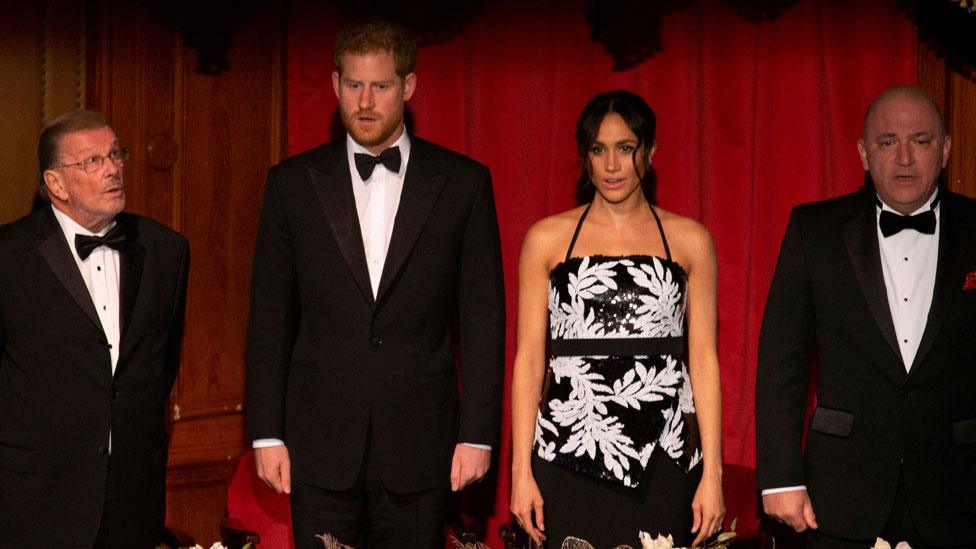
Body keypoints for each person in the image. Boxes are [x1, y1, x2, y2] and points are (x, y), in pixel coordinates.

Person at [245, 17, 506, 548]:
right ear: (336, 84)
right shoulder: (291, 184)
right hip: (318, 445)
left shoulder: (463, 184)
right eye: (353, 84)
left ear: (408, 87)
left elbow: (482, 318)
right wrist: (267, 431)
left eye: (381, 86)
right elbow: (269, 317)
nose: (365, 101)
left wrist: (477, 435)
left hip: (422, 443)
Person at [756, 85, 976, 548]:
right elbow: (782, 362)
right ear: (862, 152)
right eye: (886, 142)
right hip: (838, 498)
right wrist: (779, 479)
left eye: (920, 140)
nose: (904, 158)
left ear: (946, 149)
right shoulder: (812, 230)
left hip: (960, 493)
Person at [510, 90, 725, 547]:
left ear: (649, 152)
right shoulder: (546, 239)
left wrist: (714, 475)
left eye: (625, 148)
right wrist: (519, 472)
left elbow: (703, 361)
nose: (611, 165)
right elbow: (529, 360)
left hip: (665, 457)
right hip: (565, 450)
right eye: (598, 149)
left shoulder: (691, 241)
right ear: (584, 157)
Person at [0, 110, 190, 547]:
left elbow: (161, 367)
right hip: (35, 498)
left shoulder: (167, 250)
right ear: (56, 184)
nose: (112, 168)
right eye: (91, 161)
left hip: (131, 500)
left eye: (115, 154)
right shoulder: (9, 257)